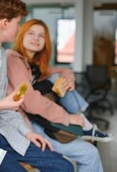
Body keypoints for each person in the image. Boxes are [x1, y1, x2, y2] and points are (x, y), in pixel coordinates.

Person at [0, 0, 74, 172]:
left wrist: (28, 133)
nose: (20, 28)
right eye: (17, 22)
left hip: (4, 131)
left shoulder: (2, 56)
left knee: (64, 167)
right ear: (4, 23)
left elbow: (8, 109)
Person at [7, 18, 111, 172]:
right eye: (31, 33)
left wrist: (68, 80)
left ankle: (82, 120)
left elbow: (64, 71)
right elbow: (29, 101)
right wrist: (67, 118)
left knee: (58, 78)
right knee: (90, 154)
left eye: (41, 35)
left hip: (40, 118)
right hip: (26, 125)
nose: (36, 38)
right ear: (21, 35)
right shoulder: (13, 59)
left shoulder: (36, 64)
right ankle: (83, 122)